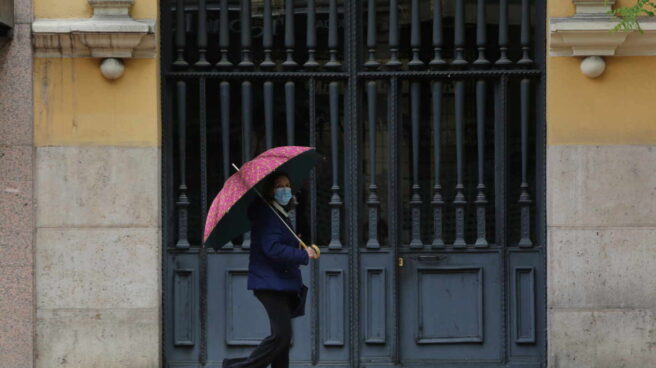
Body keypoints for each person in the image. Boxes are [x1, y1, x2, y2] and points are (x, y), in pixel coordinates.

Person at [222, 172, 319, 368]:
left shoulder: (279, 213)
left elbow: (278, 242)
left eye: (287, 185)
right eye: (278, 186)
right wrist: (302, 254)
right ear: (270, 191)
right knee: (281, 336)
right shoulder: (268, 214)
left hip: (279, 282)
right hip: (270, 282)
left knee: (283, 339)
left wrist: (297, 245)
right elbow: (271, 248)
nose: (284, 189)